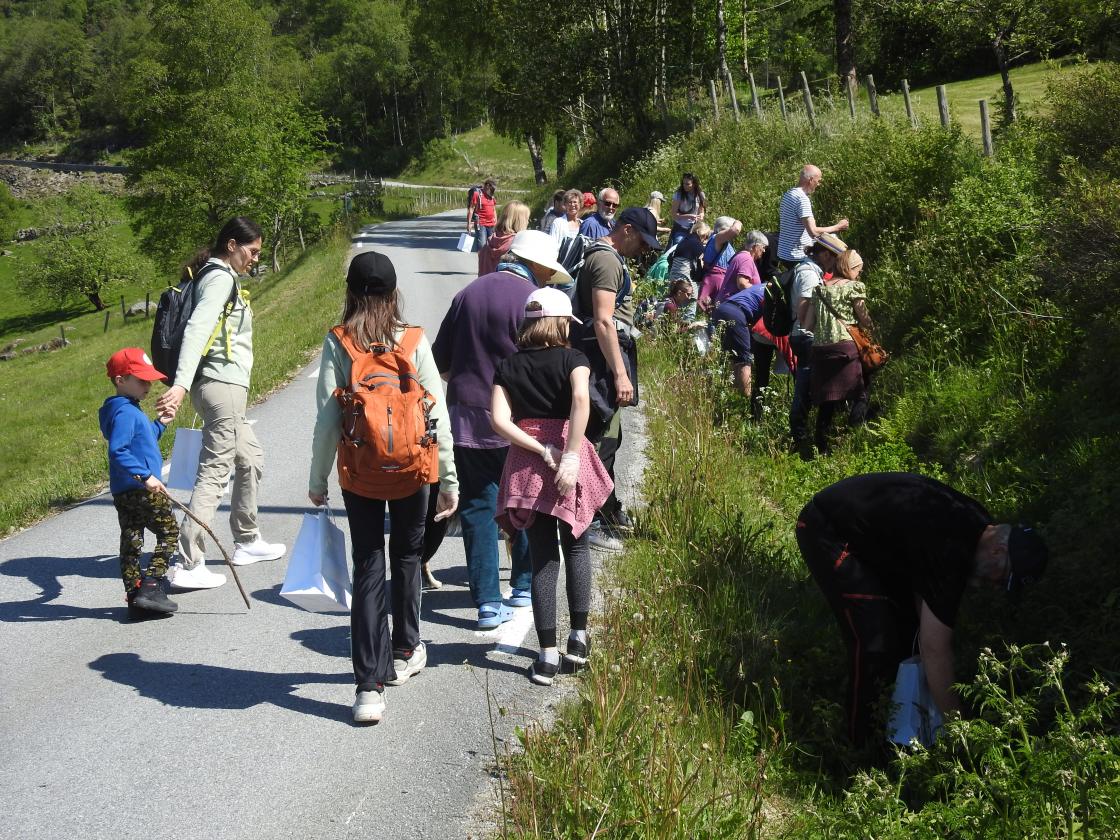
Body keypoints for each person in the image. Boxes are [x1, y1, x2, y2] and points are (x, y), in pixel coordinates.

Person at [308, 251, 458, 724]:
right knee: (408, 556)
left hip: (360, 472)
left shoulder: (339, 342)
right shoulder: (413, 339)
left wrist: (317, 479)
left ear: (350, 293)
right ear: (395, 294)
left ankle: (368, 689)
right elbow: (437, 414)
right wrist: (448, 478)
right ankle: (405, 649)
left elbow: (328, 419)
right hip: (414, 470)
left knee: (369, 562)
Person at [796, 472, 1049, 746]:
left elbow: (923, 586)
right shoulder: (954, 553)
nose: (997, 585)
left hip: (870, 541)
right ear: (999, 551)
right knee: (874, 640)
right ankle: (860, 748)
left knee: (907, 634)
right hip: (826, 528)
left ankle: (898, 729)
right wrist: (962, 732)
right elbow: (935, 649)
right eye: (1004, 577)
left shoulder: (976, 525)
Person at [432, 230, 573, 629]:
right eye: (549, 270)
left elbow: (440, 362)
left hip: (467, 416)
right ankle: (524, 585)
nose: (549, 278)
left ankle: (487, 604)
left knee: (478, 508)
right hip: (520, 422)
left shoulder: (468, 294)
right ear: (539, 264)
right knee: (523, 502)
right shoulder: (534, 301)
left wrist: (471, 390)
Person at [491, 288, 614, 685]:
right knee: (576, 545)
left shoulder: (508, 365)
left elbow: (499, 421)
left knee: (542, 554)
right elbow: (581, 399)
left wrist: (540, 449)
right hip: (568, 445)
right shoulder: (573, 358)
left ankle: (545, 657)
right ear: (561, 322)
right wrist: (571, 453)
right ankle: (577, 642)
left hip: (528, 463)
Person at [155, 217, 285, 590]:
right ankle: (188, 560)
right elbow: (198, 329)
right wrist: (179, 386)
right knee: (216, 468)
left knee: (250, 458)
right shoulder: (220, 278)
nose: (255, 259)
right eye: (252, 251)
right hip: (219, 383)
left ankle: (246, 539)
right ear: (232, 245)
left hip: (222, 386)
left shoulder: (213, 276)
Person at [572, 207, 661, 551]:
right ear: (626, 230)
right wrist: (621, 374)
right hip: (600, 363)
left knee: (610, 436)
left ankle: (606, 509)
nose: (644, 249)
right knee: (599, 441)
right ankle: (588, 522)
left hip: (601, 359)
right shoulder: (607, 262)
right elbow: (604, 321)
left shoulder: (603, 256)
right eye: (642, 240)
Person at [100, 348, 179, 617]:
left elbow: (140, 442)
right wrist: (146, 476)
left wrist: (160, 423)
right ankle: (152, 585)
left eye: (149, 380)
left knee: (132, 541)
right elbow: (119, 450)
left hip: (124, 491)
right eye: (141, 380)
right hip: (142, 488)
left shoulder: (123, 410)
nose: (148, 385)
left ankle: (135, 597)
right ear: (121, 380)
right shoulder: (126, 414)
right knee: (169, 533)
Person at [801, 247, 873, 454]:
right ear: (850, 268)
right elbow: (863, 317)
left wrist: (826, 327)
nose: (859, 273)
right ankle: (856, 434)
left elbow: (807, 325)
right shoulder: (853, 287)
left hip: (821, 351)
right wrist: (873, 329)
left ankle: (821, 448)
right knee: (861, 390)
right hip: (846, 348)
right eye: (858, 269)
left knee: (827, 398)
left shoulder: (820, 289)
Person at [789, 233, 846, 459]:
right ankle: (800, 437)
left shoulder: (812, 271)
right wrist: (817, 330)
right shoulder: (808, 274)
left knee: (811, 384)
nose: (834, 264)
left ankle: (806, 436)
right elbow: (804, 312)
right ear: (823, 254)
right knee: (805, 385)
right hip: (807, 337)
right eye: (833, 258)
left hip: (807, 336)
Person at [776, 165, 849, 266]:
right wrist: (837, 227)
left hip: (784, 253)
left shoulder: (788, 194)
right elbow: (813, 232)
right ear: (811, 180)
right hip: (797, 256)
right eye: (818, 181)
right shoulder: (802, 199)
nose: (818, 184)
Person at [711, 284, 766, 398]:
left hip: (722, 308)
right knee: (744, 360)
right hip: (736, 313)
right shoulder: (776, 290)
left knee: (733, 358)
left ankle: (733, 396)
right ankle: (745, 400)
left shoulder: (763, 286)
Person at [712, 230, 768, 308]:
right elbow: (742, 284)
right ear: (755, 247)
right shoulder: (746, 259)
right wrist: (761, 290)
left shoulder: (741, 256)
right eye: (763, 247)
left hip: (726, 304)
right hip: (732, 306)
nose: (764, 250)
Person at [697, 216, 742, 311]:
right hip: (716, 280)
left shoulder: (723, 242)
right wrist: (738, 222)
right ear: (721, 229)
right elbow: (735, 230)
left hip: (720, 279)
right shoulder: (717, 238)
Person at [478, 200, 530, 277]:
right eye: (527, 219)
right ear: (519, 221)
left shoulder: (490, 241)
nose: (528, 222)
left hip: (485, 286)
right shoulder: (517, 245)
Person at [669, 172, 707, 246]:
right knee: (678, 245)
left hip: (694, 228)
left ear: (694, 184)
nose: (684, 186)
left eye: (687, 184)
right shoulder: (679, 195)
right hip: (680, 227)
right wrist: (688, 216)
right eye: (683, 183)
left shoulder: (700, 195)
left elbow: (701, 211)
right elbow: (673, 215)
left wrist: (701, 216)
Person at [467, 179, 498, 251]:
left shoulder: (492, 196)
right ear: (487, 186)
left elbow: (494, 209)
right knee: (482, 245)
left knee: (492, 245)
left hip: (491, 224)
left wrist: (496, 222)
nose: (492, 192)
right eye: (492, 190)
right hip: (481, 224)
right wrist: (469, 223)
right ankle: (482, 260)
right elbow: (471, 209)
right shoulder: (477, 194)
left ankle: (489, 261)